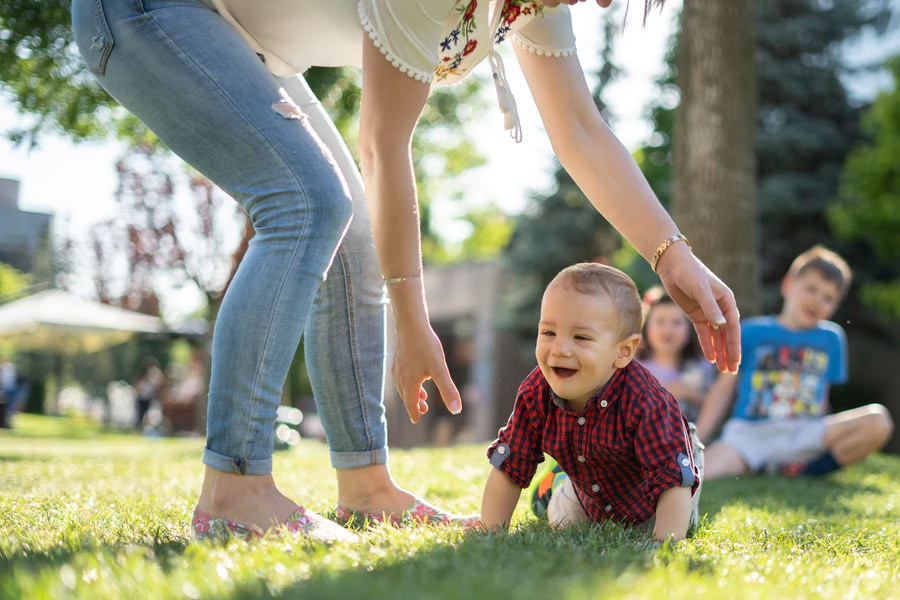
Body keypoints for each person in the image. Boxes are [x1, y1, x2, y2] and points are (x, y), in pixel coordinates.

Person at [71, 0, 739, 543]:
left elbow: (580, 131)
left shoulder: (540, 2)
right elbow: (383, 145)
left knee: (352, 228)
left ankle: (366, 487)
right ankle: (235, 490)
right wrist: (412, 323)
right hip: (150, 12)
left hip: (244, 39)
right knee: (309, 200)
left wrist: (671, 255)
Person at [480, 263, 701, 542]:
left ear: (623, 351)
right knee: (564, 520)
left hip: (656, 495)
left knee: (678, 522)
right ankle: (554, 484)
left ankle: (558, 480)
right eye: (549, 333)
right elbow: (510, 465)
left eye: (581, 337)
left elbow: (673, 481)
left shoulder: (648, 401)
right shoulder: (535, 392)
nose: (559, 349)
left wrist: (664, 545)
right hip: (590, 493)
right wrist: (490, 533)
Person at [697, 246, 894, 480]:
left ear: (836, 306)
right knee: (701, 471)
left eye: (828, 298)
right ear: (788, 285)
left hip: (805, 432)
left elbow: (823, 396)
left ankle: (804, 470)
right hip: (751, 435)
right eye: (811, 289)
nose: (818, 301)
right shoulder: (751, 332)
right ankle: (764, 465)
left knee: (878, 420)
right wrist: (698, 438)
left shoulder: (831, 338)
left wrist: (825, 434)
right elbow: (723, 390)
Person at [637, 287, 715, 423]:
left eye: (676, 322)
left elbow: (715, 404)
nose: (668, 330)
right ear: (646, 326)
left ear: (689, 329)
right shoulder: (635, 366)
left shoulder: (702, 367)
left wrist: (689, 393)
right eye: (660, 321)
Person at [133, 357, 165, 430]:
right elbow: (136, 384)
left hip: (152, 397)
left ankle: (154, 428)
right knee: (140, 414)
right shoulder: (142, 374)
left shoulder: (156, 373)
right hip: (142, 397)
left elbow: (160, 384)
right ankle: (139, 428)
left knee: (153, 414)